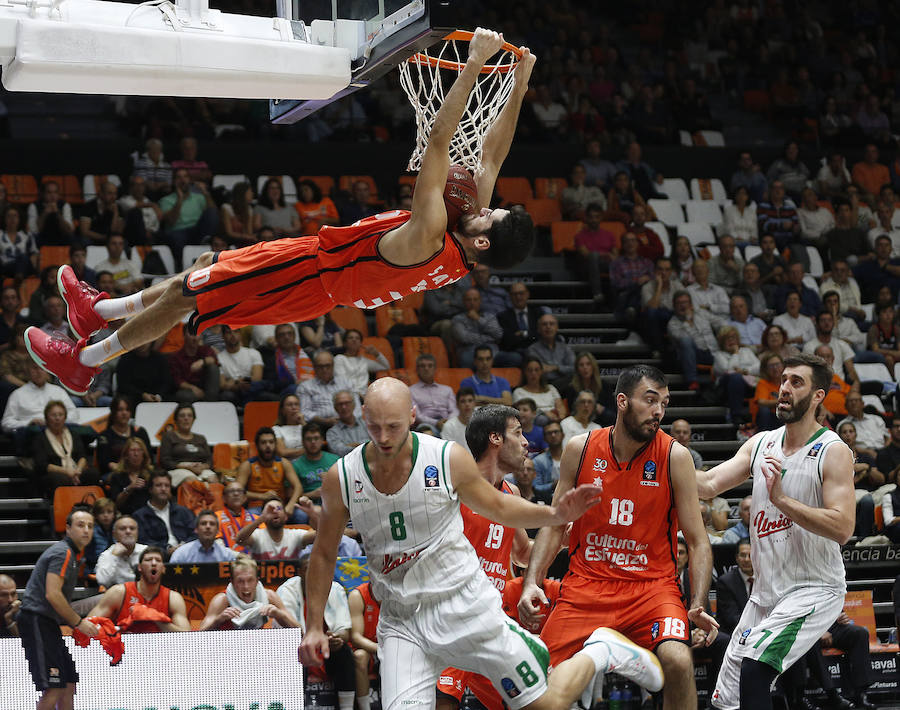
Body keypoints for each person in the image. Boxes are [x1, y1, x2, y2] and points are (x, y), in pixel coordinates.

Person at [29, 29, 538, 397]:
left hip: (307, 279)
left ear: (483, 242)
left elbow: (440, 145)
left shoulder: (430, 235)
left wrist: (474, 64)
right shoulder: (467, 229)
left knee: (190, 294)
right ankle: (96, 313)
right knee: (205, 267)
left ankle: (84, 363)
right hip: (310, 258)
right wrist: (521, 78)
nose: (487, 208)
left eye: (491, 217)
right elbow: (493, 153)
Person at [299, 377, 662, 710]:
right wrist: (314, 624)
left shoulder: (445, 458)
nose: (384, 437)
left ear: (412, 415)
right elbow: (324, 553)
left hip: (466, 607)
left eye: (393, 426)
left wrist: (554, 515)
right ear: (362, 416)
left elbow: (499, 505)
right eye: (374, 426)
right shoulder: (342, 477)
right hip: (402, 620)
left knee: (545, 706)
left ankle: (601, 652)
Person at [519, 365, 717, 710]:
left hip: (651, 587)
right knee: (538, 692)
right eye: (650, 400)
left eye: (664, 404)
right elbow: (554, 523)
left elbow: (699, 541)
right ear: (622, 401)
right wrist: (531, 582)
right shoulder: (579, 449)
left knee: (679, 662)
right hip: (587, 584)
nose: (658, 412)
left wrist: (697, 603)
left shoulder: (675, 457)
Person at [695, 353, 855, 710]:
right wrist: (658, 459)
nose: (784, 388)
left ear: (818, 396)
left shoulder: (832, 451)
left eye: (796, 382)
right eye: (783, 380)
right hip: (766, 597)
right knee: (727, 698)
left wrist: (781, 500)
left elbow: (843, 527)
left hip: (813, 590)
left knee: (755, 668)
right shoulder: (761, 443)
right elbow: (706, 484)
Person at [435, 403, 538, 710]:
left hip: (490, 620)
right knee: (443, 701)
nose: (525, 442)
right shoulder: (452, 489)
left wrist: (564, 536)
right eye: (518, 433)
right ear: (495, 439)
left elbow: (521, 552)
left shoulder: (511, 494)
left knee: (525, 700)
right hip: (451, 619)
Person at [18, 509, 98, 710]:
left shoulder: (72, 555)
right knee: (54, 687)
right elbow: (52, 594)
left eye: (90, 526)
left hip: (48, 622)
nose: (86, 530)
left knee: (69, 683)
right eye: (80, 525)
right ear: (68, 529)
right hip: (37, 619)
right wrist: (79, 623)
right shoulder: (63, 552)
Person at [277, 549, 356, 710]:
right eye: (308, 569)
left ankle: (347, 707)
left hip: (327, 650)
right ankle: (295, 705)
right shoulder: (286, 591)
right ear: (299, 572)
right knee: (296, 653)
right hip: (299, 647)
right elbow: (286, 633)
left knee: (344, 651)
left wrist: (336, 638)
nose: (314, 573)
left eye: (317, 569)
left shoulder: (335, 588)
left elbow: (345, 631)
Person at [87, 546, 190, 632]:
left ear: (163, 568)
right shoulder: (119, 592)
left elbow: (187, 636)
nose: (153, 563)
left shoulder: (173, 598)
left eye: (158, 560)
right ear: (140, 567)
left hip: (160, 650)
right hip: (125, 649)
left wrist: (157, 619)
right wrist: (121, 628)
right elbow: (88, 625)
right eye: (148, 560)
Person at [199, 553, 299, 631]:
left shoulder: (269, 596)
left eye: (250, 580)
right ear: (232, 582)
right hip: (227, 648)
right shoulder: (222, 600)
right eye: (240, 581)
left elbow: (299, 631)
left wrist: (279, 614)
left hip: (256, 646)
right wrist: (219, 620)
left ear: (257, 581)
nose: (246, 586)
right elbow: (199, 635)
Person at [31, 400, 101, 495]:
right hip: (55, 473)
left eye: (60, 415)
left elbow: (82, 457)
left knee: (93, 473)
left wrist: (78, 471)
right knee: (59, 479)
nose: (57, 418)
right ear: (47, 418)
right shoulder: (40, 438)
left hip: (75, 470)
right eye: (54, 415)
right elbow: (42, 465)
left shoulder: (73, 434)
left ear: (65, 417)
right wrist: (66, 471)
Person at [236, 426, 305, 521]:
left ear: (275, 445)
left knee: (301, 515)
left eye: (271, 442)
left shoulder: (283, 463)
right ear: (257, 445)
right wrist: (262, 496)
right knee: (250, 516)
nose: (268, 446)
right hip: (257, 507)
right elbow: (238, 491)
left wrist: (291, 505)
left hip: (280, 506)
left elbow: (298, 487)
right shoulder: (247, 465)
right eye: (263, 443)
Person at [133, 471, 197, 557]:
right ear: (150, 489)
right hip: (157, 557)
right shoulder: (140, 516)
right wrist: (166, 549)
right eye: (159, 485)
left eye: (167, 486)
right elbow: (143, 541)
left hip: (187, 555)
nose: (163, 489)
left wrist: (184, 546)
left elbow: (196, 532)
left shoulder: (183, 511)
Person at [235, 498, 316, 561]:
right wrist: (261, 519)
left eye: (279, 508)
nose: (274, 511)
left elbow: (322, 536)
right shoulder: (257, 535)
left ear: (286, 517)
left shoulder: (295, 535)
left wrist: (313, 515)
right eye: (269, 510)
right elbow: (239, 540)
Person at [298, 350, 362, 428]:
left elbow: (357, 409)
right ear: (314, 367)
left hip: (349, 424)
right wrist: (323, 421)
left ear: (333, 365)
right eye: (321, 366)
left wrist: (348, 419)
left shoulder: (347, 383)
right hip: (320, 426)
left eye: (328, 366)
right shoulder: (305, 387)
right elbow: (304, 412)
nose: (325, 370)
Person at [158, 403, 217, 488]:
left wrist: (203, 466)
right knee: (192, 481)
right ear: (176, 420)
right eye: (182, 416)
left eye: (189, 416)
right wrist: (185, 466)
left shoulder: (201, 438)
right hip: (178, 470)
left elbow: (209, 461)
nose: (186, 418)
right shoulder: (168, 436)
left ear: (193, 419)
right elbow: (165, 461)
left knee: (213, 479)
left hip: (201, 470)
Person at [95, 395, 152, 477]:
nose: (124, 413)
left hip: (140, 472)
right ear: (114, 412)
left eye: (127, 410)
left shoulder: (140, 432)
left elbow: (148, 457)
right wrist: (126, 472)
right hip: (115, 473)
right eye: (120, 410)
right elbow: (104, 463)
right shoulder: (104, 436)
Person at [348, 582, 380, 710]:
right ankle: (364, 707)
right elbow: (356, 637)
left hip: (389, 647)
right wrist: (382, 650)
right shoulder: (358, 595)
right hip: (367, 648)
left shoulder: (397, 593)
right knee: (359, 656)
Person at [334, 328, 389, 399]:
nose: (354, 340)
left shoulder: (363, 360)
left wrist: (376, 354)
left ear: (360, 343)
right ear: (345, 343)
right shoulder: (339, 359)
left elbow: (385, 366)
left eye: (357, 338)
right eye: (350, 338)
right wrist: (359, 395)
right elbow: (343, 382)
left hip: (365, 396)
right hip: (349, 396)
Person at [409, 353, 458, 434]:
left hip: (449, 424)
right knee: (426, 430)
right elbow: (417, 415)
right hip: (428, 426)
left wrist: (448, 423)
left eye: (430, 366)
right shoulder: (410, 391)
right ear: (417, 370)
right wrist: (436, 423)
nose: (426, 368)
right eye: (422, 366)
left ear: (435, 369)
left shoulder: (447, 389)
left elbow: (454, 410)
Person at [94, 514, 146, 588]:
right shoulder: (107, 555)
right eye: (122, 529)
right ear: (114, 534)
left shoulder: (146, 552)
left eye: (132, 528)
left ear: (137, 532)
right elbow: (102, 581)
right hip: (119, 596)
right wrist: (114, 556)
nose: (128, 531)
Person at [107, 437, 155, 515]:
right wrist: (129, 488)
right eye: (132, 450)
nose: (136, 454)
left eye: (139, 450)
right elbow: (116, 503)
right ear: (126, 455)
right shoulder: (117, 476)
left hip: (148, 515)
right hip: (126, 516)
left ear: (144, 454)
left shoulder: (152, 474)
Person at [292, 422, 340, 502]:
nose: (313, 442)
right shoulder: (296, 465)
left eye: (316, 438)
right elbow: (290, 496)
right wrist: (311, 494)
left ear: (322, 440)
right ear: (303, 442)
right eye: (309, 439)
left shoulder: (335, 460)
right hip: (308, 505)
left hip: (334, 502)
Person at [168, 509, 236, 563]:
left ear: (218, 531)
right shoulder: (181, 554)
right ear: (196, 529)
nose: (208, 527)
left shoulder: (227, 555)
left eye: (212, 524)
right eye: (203, 523)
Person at [513, 357, 567, 425]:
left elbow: (560, 406)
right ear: (525, 373)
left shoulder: (551, 388)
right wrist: (545, 412)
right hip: (534, 421)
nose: (533, 373)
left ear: (541, 372)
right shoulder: (519, 392)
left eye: (536, 370)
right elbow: (523, 412)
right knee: (542, 419)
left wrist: (561, 417)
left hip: (554, 418)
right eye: (530, 370)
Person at [216, 482, 257, 554]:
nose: (236, 494)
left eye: (239, 491)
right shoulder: (215, 517)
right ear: (224, 498)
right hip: (227, 560)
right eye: (231, 491)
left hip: (254, 560)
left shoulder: (256, 519)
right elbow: (217, 545)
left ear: (245, 498)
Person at [328, 390, 370, 457]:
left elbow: (375, 444)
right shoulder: (332, 433)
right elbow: (339, 452)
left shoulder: (367, 424)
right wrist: (364, 444)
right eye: (340, 404)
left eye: (347, 403)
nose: (344, 407)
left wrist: (352, 445)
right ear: (335, 408)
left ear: (354, 405)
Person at [441, 386, 476, 452]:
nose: (467, 404)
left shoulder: (481, 424)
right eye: (463, 401)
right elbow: (447, 453)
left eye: (470, 401)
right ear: (457, 405)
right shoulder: (449, 426)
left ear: (474, 403)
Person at [273, 392, 306, 461]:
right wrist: (307, 450)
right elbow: (282, 452)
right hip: (289, 464)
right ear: (283, 410)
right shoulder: (277, 429)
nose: (294, 407)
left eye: (296, 404)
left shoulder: (305, 426)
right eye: (289, 405)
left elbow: (315, 440)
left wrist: (303, 423)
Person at [0, 572, 19, 637]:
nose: (10, 600)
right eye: (4, 595)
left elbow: (22, 644)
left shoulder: (23, 614)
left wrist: (9, 620)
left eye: (13, 594)